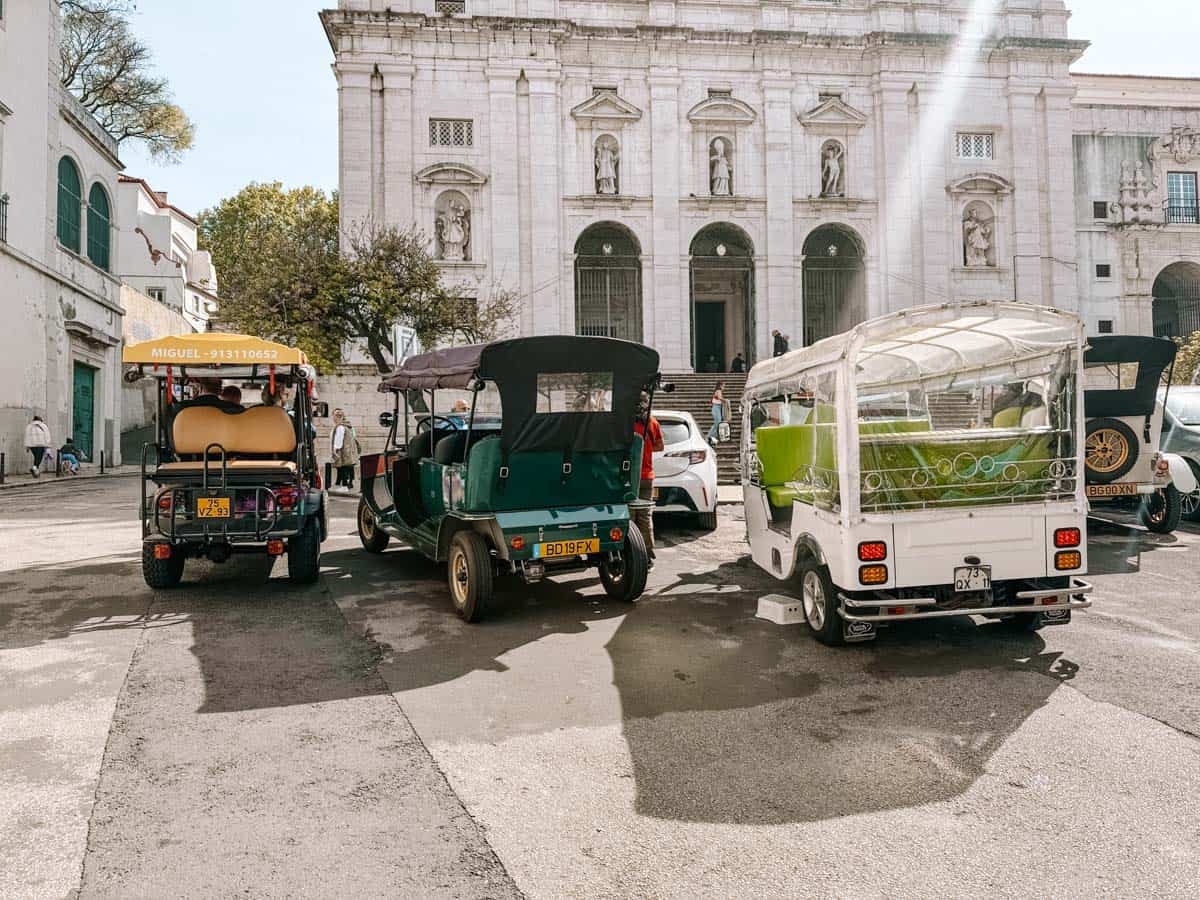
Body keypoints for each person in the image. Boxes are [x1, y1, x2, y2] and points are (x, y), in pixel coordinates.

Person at [632, 392, 664, 565]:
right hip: (648, 476)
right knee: (645, 517)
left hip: (631, 477)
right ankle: (648, 557)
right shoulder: (653, 423)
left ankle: (630, 555)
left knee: (629, 517)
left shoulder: (628, 423)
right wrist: (647, 450)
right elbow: (660, 446)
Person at [330, 409, 360, 493]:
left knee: (343, 467)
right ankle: (344, 484)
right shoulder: (347, 426)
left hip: (343, 451)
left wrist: (335, 449)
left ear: (336, 417)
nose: (333, 418)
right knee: (345, 468)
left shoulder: (340, 427)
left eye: (334, 416)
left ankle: (344, 486)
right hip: (348, 451)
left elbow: (339, 439)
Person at [708, 381, 726, 445]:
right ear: (720, 385)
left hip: (718, 407)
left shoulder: (718, 391)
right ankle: (710, 436)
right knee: (718, 422)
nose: (724, 387)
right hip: (716, 407)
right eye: (723, 386)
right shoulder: (718, 391)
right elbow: (719, 398)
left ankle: (712, 436)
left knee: (717, 422)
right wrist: (725, 400)